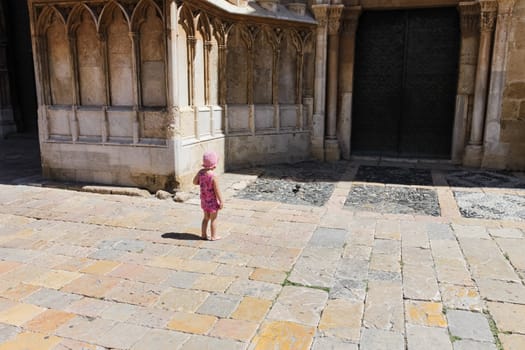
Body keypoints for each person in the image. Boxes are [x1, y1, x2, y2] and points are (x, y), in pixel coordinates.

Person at [193, 151, 224, 240]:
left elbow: (194, 182)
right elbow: (217, 191)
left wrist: (202, 182)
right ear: (214, 165)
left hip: (204, 200)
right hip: (212, 202)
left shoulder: (201, 173)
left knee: (205, 218)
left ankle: (203, 235)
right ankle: (214, 236)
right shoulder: (213, 176)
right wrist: (221, 201)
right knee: (213, 219)